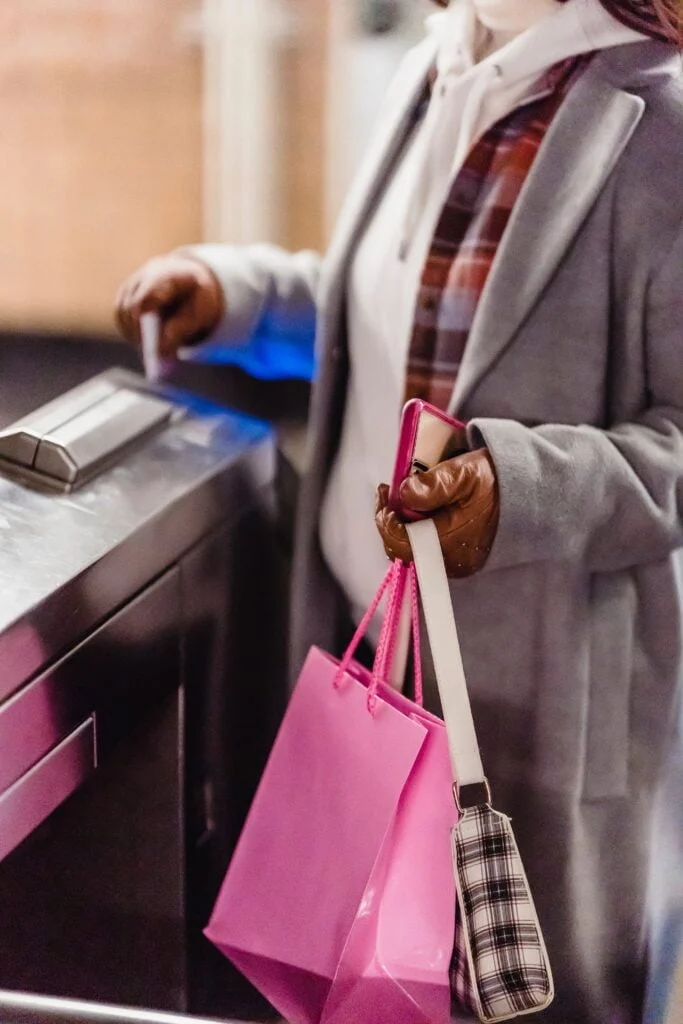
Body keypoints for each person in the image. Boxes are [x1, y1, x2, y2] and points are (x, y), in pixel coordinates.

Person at [115, 0, 683, 1019]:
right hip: (363, 651)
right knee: (357, 981)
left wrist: (515, 489)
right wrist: (238, 297)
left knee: (520, 995)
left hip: (535, 704)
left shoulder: (660, 123)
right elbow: (384, 311)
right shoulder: (435, 72)